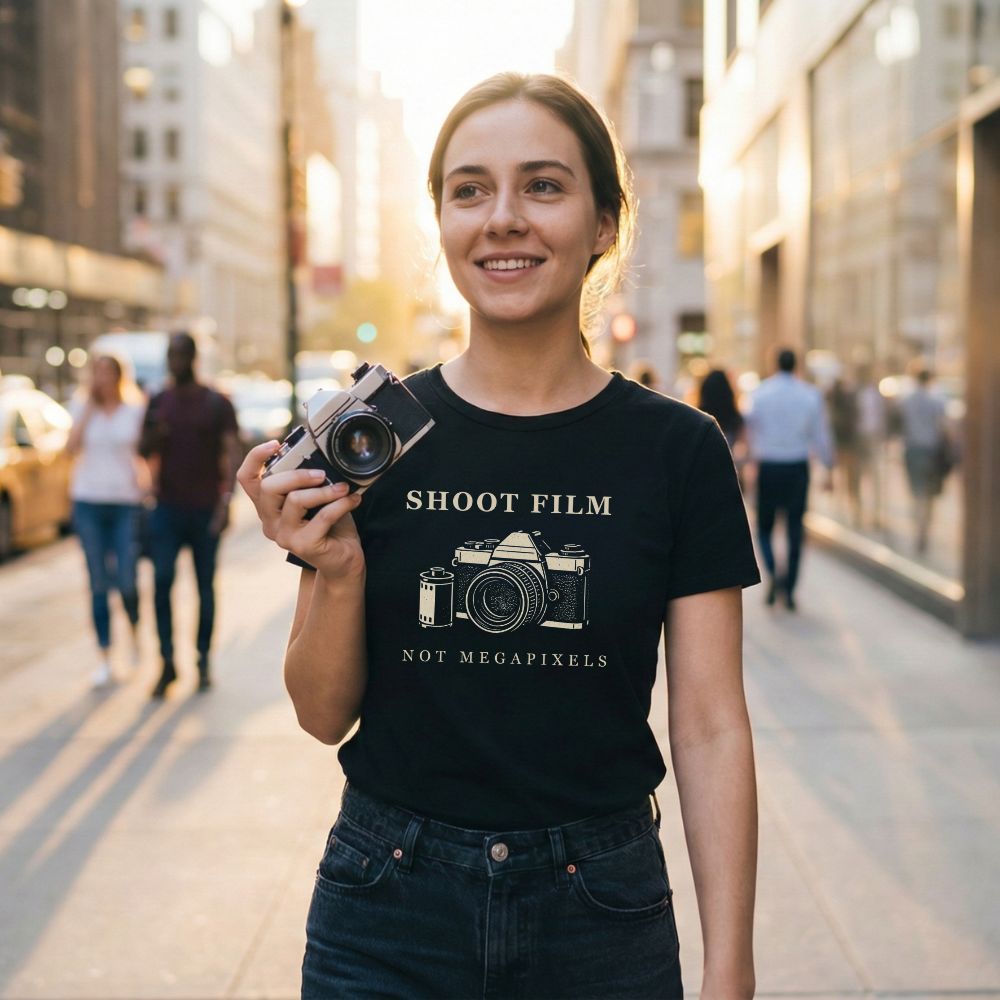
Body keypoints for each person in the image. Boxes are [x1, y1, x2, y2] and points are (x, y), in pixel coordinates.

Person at [238, 73, 760, 1000]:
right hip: (385, 902)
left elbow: (712, 724)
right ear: (439, 222)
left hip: (601, 908)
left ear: (605, 223)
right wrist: (339, 568)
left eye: (544, 186)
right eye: (470, 190)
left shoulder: (677, 449)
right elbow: (323, 717)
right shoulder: (376, 435)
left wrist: (730, 966)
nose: (503, 218)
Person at [139, 332, 240, 697]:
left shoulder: (215, 402)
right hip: (167, 508)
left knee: (204, 587)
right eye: (170, 355)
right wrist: (155, 432)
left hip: (204, 510)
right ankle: (167, 662)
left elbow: (232, 454)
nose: (174, 362)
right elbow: (142, 448)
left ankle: (202, 660)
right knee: (161, 582)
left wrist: (227, 502)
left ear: (192, 358)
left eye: (180, 355)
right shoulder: (158, 400)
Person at [66, 354, 148, 687]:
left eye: (108, 372)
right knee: (98, 582)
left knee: (127, 579)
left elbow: (144, 453)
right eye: (96, 372)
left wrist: (147, 484)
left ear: (119, 376)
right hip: (88, 501)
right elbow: (69, 449)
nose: (102, 378)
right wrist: (88, 408)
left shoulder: (135, 410)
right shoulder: (81, 407)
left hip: (125, 503)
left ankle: (134, 634)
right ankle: (104, 655)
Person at [746, 348, 834, 611]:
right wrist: (828, 467)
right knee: (795, 527)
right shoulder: (809, 394)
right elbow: (821, 434)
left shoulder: (761, 393)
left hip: (769, 466)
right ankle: (790, 586)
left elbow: (752, 431)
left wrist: (751, 463)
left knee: (764, 527)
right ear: (796, 366)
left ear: (775, 364)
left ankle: (773, 572)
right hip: (797, 466)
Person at [899, 366, 951, 555]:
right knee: (929, 496)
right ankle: (924, 530)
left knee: (917, 493)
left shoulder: (907, 401)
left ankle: (918, 529)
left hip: (913, 450)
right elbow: (944, 427)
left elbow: (901, 425)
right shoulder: (936, 401)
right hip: (931, 451)